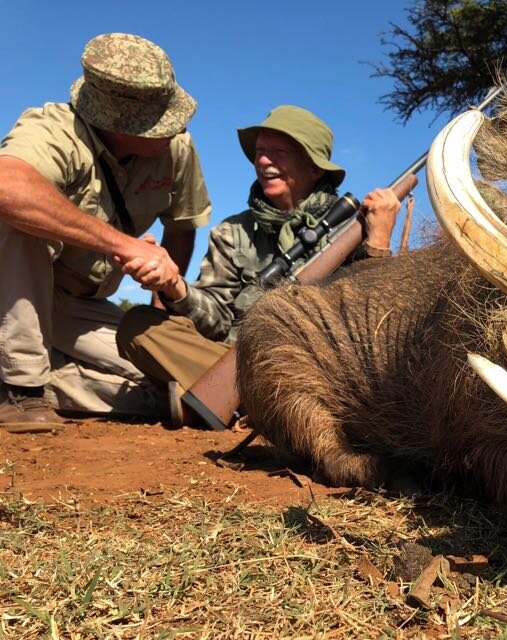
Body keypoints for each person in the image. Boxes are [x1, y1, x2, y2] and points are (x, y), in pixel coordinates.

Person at [116, 105, 400, 423]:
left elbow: (373, 326)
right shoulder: (232, 232)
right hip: (237, 361)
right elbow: (216, 321)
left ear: (315, 168)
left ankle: (226, 402)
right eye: (260, 151)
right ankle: (252, 405)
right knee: (137, 327)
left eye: (279, 152)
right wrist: (175, 287)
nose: (263, 161)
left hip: (317, 368)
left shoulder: (356, 228)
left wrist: (378, 244)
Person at [0, 33, 210, 433]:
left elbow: (181, 228)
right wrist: (122, 244)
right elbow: (6, 186)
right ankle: (22, 388)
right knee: (16, 220)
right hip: (13, 297)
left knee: (174, 384)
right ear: (116, 123)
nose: (177, 127)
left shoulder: (177, 148)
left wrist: (157, 310)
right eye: (160, 121)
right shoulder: (55, 129)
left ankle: (48, 382)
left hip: (80, 305)